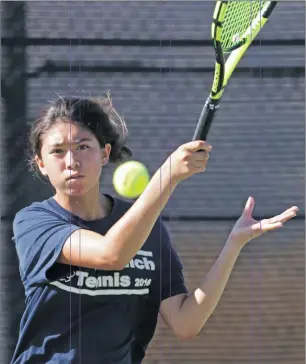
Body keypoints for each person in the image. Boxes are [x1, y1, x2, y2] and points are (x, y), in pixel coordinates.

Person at [11, 94, 298, 364]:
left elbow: (186, 322)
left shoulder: (144, 227)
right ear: (41, 163)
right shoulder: (34, 223)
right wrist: (167, 177)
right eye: (58, 151)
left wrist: (234, 245)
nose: (72, 161)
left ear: (104, 153)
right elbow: (112, 255)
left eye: (83, 146)